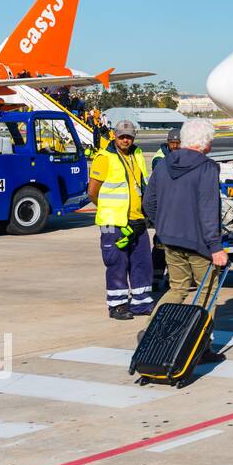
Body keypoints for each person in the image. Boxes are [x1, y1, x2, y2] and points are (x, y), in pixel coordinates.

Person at [143, 118, 229, 363]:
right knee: (207, 292)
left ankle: (150, 331)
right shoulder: (207, 168)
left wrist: (163, 223)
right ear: (204, 143)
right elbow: (208, 210)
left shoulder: (162, 164)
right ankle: (199, 346)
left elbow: (149, 202)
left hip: (168, 238)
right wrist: (216, 247)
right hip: (198, 243)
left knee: (177, 289)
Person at [89, 119, 154, 319]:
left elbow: (140, 184)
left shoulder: (137, 154)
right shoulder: (104, 157)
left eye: (129, 137)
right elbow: (93, 191)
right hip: (113, 221)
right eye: (122, 136)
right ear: (115, 136)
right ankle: (117, 305)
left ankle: (141, 302)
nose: (125, 140)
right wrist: (107, 209)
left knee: (142, 261)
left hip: (137, 219)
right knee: (116, 263)